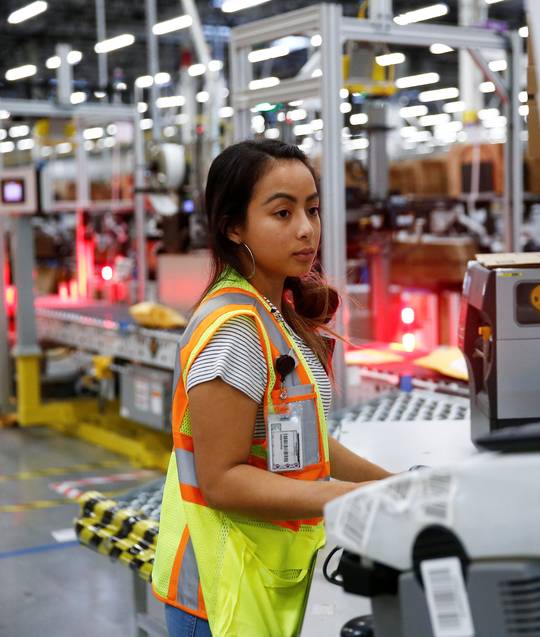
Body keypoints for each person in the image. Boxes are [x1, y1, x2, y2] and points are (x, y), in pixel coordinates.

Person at [151, 140, 392, 636]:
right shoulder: (235, 329)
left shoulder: (270, 313)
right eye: (282, 212)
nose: (306, 229)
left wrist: (391, 486)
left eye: (312, 209)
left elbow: (307, 443)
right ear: (233, 226)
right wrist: (351, 498)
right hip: (220, 596)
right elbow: (222, 480)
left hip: (262, 572)